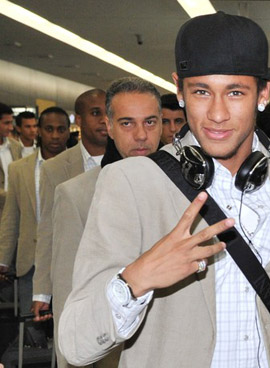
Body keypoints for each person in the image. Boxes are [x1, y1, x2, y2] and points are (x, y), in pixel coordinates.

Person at [60, 11, 270, 367]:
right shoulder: (130, 182)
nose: (217, 114)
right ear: (179, 90)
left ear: (263, 93)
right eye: (202, 92)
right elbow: (75, 344)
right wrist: (137, 278)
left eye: (235, 92)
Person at [44, 77, 163, 368]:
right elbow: (66, 292)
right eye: (126, 123)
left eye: (149, 122)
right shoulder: (76, 194)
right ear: (109, 127)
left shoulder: (186, 188)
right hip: (112, 351)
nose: (140, 135)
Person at [31, 88, 107, 318]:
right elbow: (48, 230)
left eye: (108, 112)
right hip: (72, 276)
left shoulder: (130, 162)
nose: (104, 120)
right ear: (80, 120)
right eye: (96, 113)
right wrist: (42, 293)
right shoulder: (55, 168)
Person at [0, 106, 70, 347]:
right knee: (32, 330)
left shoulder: (78, 167)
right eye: (49, 129)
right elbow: (11, 217)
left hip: (67, 260)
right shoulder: (19, 169)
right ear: (39, 131)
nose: (55, 135)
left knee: (67, 327)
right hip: (29, 261)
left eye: (61, 130)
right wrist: (2, 260)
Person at [0, 102, 22, 215]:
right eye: (6, 123)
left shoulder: (16, 147)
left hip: (13, 213)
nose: (11, 127)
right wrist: (13, 198)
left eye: (11, 122)